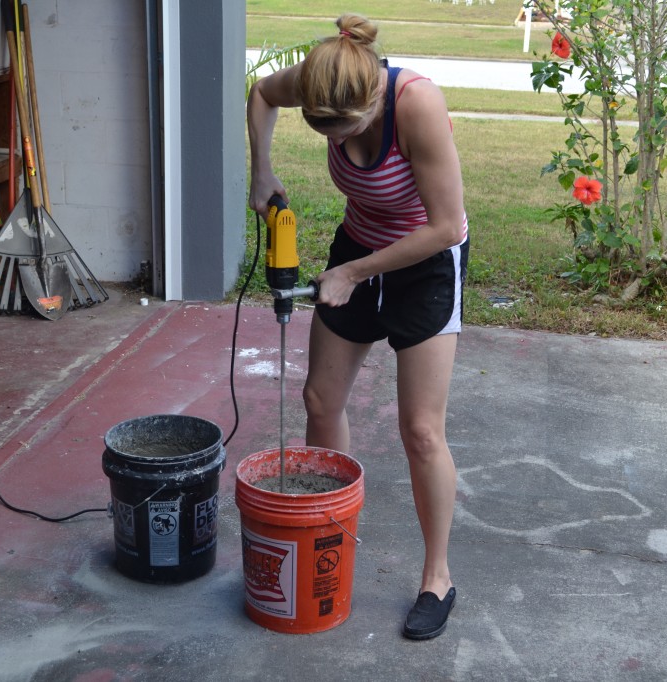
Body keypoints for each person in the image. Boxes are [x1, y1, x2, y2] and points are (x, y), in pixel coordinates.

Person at [247, 12, 469, 640]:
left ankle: (437, 578)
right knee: (321, 400)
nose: (334, 139)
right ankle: (331, 533)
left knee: (421, 430)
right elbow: (263, 91)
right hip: (361, 246)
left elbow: (444, 227)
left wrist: (352, 274)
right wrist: (260, 170)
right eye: (325, 132)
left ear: (373, 98)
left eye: (342, 130)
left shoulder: (416, 104)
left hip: (425, 262)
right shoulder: (325, 78)